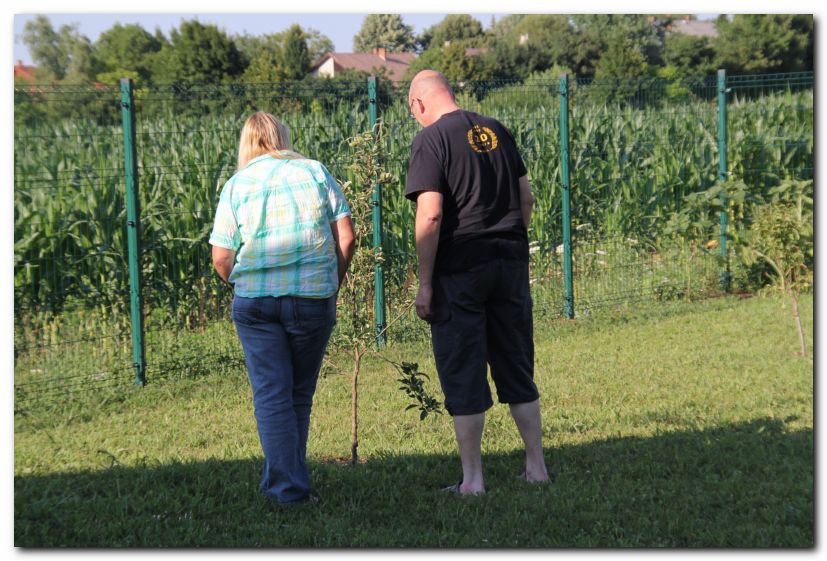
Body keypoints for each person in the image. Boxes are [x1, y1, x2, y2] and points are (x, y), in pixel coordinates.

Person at [405, 70, 550, 495]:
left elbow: (430, 215)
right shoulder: (497, 130)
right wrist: (511, 242)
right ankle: (536, 468)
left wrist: (426, 283)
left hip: (460, 269)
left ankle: (473, 480)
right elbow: (527, 199)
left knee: (464, 369)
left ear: (418, 104)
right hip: (509, 262)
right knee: (516, 362)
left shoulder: (430, 140)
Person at [210, 112, 355, 505]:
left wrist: (244, 282)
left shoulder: (237, 184)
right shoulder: (314, 172)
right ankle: (289, 483)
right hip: (311, 300)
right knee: (298, 393)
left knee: (272, 394)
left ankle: (286, 487)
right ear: (283, 137)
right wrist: (330, 283)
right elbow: (347, 235)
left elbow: (221, 256)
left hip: (255, 303)